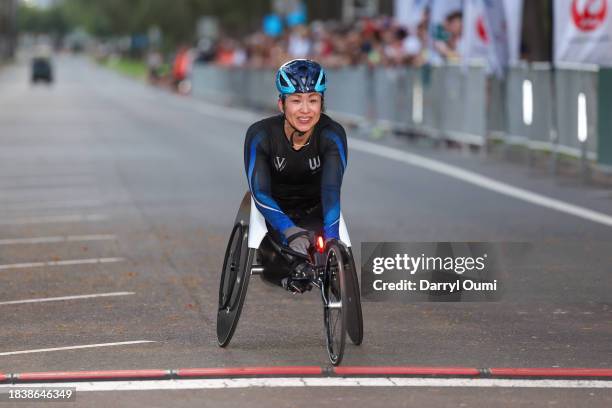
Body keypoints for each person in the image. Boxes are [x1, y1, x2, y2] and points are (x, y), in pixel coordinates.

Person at [243, 59, 348, 292]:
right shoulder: (260, 135)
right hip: (274, 213)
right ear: (281, 104)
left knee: (336, 262)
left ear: (322, 103)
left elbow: (331, 192)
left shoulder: (333, 135)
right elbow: (259, 192)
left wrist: (331, 241)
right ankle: (289, 273)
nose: (305, 110)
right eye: (296, 101)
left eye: (313, 100)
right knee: (289, 264)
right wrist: (288, 230)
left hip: (315, 209)